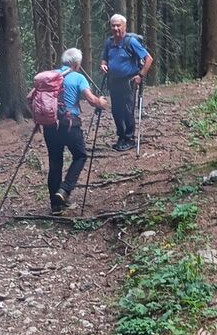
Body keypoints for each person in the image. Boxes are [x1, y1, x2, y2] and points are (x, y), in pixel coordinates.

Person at [44, 48, 108, 214]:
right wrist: (101, 102)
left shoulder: (50, 76)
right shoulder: (78, 77)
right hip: (69, 125)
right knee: (80, 155)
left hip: (50, 126)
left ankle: (55, 205)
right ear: (76, 63)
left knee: (55, 162)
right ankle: (65, 189)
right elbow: (91, 100)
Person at [99, 14, 153, 151]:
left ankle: (129, 138)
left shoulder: (131, 42)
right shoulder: (109, 42)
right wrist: (103, 65)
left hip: (129, 81)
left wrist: (140, 75)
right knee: (116, 110)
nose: (116, 28)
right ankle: (121, 136)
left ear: (124, 26)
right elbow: (105, 58)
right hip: (113, 81)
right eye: (113, 25)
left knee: (127, 110)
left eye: (118, 25)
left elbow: (149, 59)